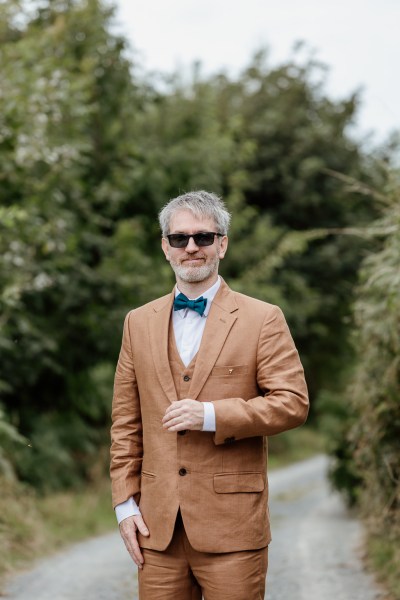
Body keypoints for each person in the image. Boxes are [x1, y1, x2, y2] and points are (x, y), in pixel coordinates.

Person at [110, 190, 309, 600]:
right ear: (166, 247)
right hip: (157, 530)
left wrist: (212, 415)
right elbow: (126, 423)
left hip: (233, 527)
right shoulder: (137, 323)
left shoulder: (262, 318)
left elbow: (292, 402)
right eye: (180, 238)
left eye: (203, 237)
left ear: (222, 244)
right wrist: (125, 505)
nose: (191, 247)